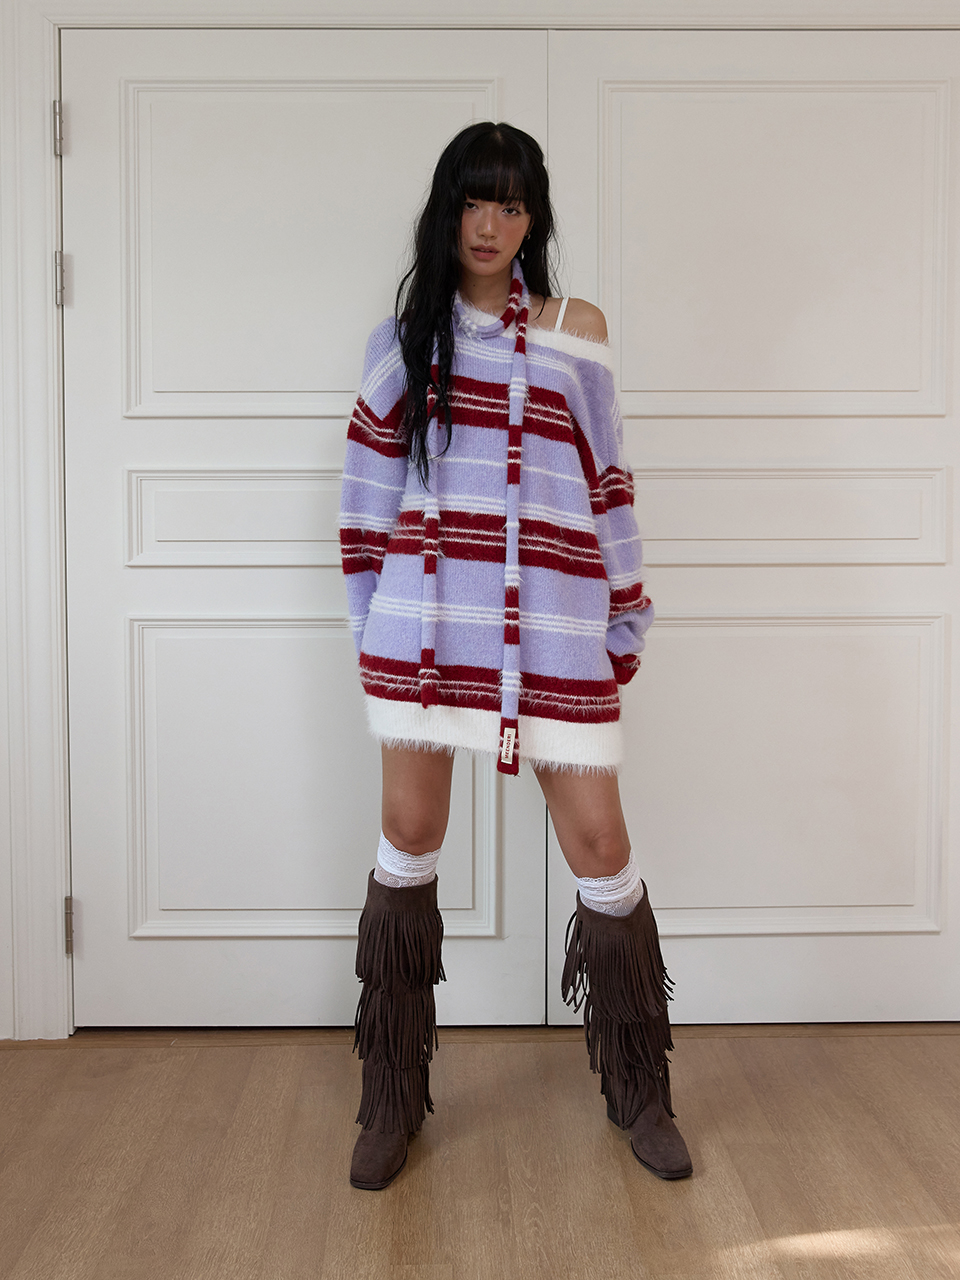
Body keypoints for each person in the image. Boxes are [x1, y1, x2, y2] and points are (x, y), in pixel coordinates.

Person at [338, 121, 691, 1191]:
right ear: (445, 212)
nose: (489, 225)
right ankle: (390, 1095)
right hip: (427, 634)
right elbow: (365, 502)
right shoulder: (401, 341)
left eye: (511, 203)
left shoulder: (577, 332)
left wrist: (625, 614)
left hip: (556, 628)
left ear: (534, 218)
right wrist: (372, 631)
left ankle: (640, 1087)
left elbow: (608, 483)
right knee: (409, 836)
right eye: (472, 201)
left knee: (601, 844)